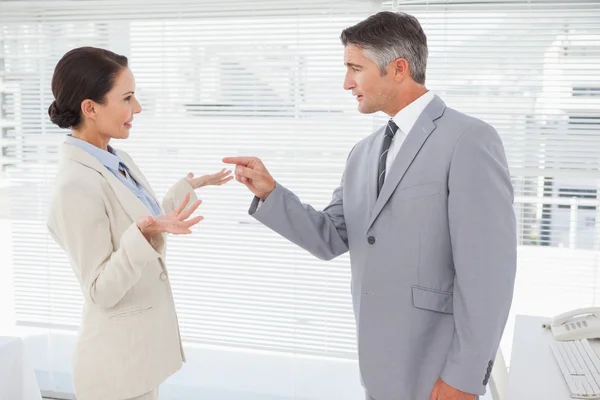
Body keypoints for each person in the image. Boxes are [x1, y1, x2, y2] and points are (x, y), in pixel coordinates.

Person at [223, 11, 516, 400]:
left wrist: (464, 377)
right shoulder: (362, 153)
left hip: (438, 370)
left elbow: (488, 275)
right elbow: (331, 236)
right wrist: (270, 193)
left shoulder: (469, 139)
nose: (347, 83)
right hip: (379, 369)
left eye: (355, 68)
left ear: (398, 69)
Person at [46, 46, 232, 400]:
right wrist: (144, 233)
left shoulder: (118, 159)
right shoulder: (75, 184)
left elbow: (136, 222)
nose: (138, 108)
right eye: (127, 98)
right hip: (114, 371)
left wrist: (186, 189)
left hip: (138, 357)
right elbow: (101, 289)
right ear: (90, 107)